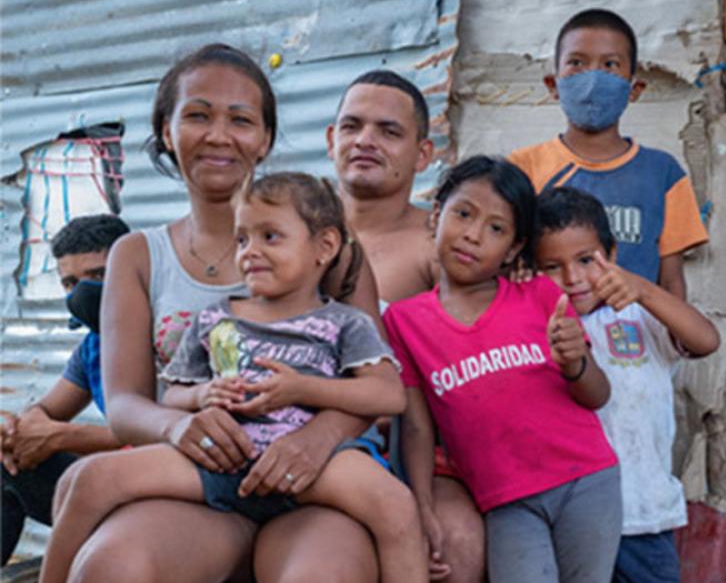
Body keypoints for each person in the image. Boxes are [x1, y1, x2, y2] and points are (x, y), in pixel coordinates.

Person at [56, 43, 387, 583]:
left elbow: (375, 383)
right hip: (197, 480)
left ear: (266, 139)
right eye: (197, 115)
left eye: (240, 119)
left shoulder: (332, 248)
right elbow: (124, 402)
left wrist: (317, 438)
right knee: (110, 566)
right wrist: (177, 428)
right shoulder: (139, 255)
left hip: (315, 482)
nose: (218, 135)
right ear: (167, 130)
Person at [43, 174, 425, 583]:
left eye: (270, 237)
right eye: (242, 239)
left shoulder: (343, 323)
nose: (251, 252)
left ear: (325, 246)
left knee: (396, 506)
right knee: (87, 478)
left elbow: (388, 395)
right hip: (222, 459)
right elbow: (174, 395)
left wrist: (303, 388)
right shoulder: (216, 320)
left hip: (316, 464)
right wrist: (203, 395)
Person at [386, 156, 621, 583]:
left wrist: (576, 364)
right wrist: (421, 507)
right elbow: (417, 427)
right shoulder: (404, 321)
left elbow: (597, 395)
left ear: (514, 248)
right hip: (507, 502)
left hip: (586, 479)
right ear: (436, 215)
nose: (473, 235)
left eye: (496, 229)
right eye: (463, 214)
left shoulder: (540, 294)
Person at [328, 69, 483, 582]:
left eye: (389, 131)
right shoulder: (293, 233)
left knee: (457, 540)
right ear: (331, 139)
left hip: (420, 451)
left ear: (423, 154)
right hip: (304, 439)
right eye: (352, 126)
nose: (365, 141)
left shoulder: (443, 247)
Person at [534, 187, 719, 583]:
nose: (572, 278)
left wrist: (646, 290)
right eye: (551, 266)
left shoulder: (639, 315)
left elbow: (706, 341)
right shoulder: (539, 325)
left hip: (643, 515)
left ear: (613, 255)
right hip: (572, 521)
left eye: (586, 260)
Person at [508, 8, 709, 302]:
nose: (593, 78)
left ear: (634, 89)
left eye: (610, 64)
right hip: (548, 335)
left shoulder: (663, 173)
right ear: (554, 85)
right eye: (577, 63)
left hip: (635, 341)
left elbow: (671, 279)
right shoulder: (522, 169)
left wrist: (670, 343)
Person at [1, 214, 128, 565]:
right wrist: (19, 432)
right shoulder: (93, 348)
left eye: (99, 276)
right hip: (106, 489)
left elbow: (171, 434)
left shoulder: (167, 336)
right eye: (71, 283)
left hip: (159, 496)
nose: (83, 293)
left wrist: (61, 437)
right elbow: (44, 410)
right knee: (6, 462)